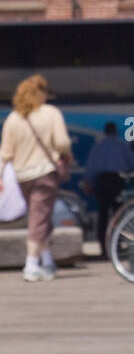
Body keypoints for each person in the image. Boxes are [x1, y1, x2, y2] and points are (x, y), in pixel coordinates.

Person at [0, 74, 74, 281]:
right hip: (44, 173)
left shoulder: (14, 118)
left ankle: (48, 261)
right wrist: (64, 153)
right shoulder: (51, 113)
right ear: (40, 93)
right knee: (39, 218)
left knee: (39, 216)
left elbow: (5, 152)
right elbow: (62, 143)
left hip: (21, 176)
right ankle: (31, 264)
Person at [82, 121, 134, 259]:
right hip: (117, 180)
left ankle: (103, 249)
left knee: (103, 216)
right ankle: (118, 246)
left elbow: (91, 167)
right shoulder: (122, 145)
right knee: (119, 215)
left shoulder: (99, 146)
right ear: (115, 131)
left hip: (103, 181)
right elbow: (133, 165)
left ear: (105, 132)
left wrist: (88, 182)